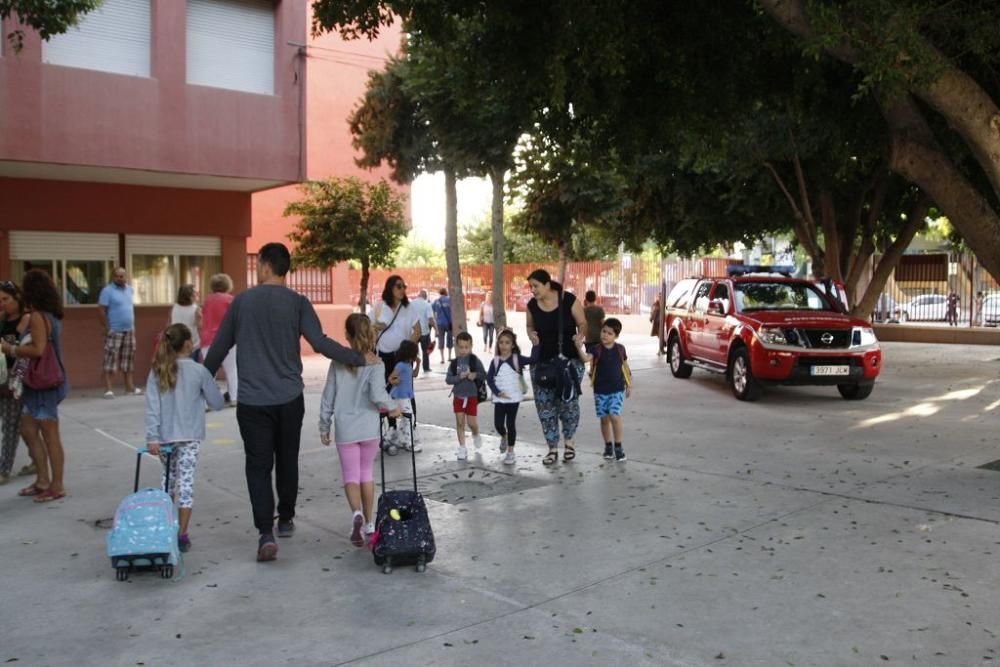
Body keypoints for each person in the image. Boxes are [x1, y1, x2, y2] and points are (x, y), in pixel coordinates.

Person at [203, 243, 376, 563]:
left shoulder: (242, 302)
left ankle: (265, 533)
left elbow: (219, 347)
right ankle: (285, 518)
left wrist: (199, 382)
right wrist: (357, 357)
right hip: (288, 398)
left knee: (258, 464)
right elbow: (321, 343)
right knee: (286, 459)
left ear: (266, 267)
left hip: (253, 402)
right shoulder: (298, 302)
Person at [319, 314, 401, 547]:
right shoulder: (376, 363)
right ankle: (369, 523)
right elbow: (377, 395)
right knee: (366, 474)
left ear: (347, 335)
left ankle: (355, 513)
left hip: (346, 429)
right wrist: (392, 407)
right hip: (369, 429)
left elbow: (329, 396)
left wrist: (324, 425)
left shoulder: (337, 363)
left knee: (350, 476)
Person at [145, 323, 225, 553]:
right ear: (189, 344)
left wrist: (152, 436)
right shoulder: (199, 371)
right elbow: (217, 403)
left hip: (164, 437)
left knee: (167, 482)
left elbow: (152, 406)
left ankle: (165, 528)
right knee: (186, 484)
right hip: (190, 436)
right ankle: (182, 535)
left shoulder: (157, 369)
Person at [2, 269, 69, 502]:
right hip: (39, 383)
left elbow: (38, 349)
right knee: (28, 429)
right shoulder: (51, 315)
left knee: (50, 434)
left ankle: (56, 484)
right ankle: (42, 479)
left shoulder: (40, 317)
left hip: (43, 383)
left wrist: (10, 348)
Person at [525, 268, 587, 466]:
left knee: (568, 405)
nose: (533, 290)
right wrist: (531, 335)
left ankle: (569, 442)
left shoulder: (568, 300)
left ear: (547, 284)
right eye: (531, 287)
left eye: (536, 286)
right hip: (542, 364)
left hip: (569, 362)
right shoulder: (532, 305)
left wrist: (580, 336)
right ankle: (552, 448)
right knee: (545, 408)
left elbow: (582, 323)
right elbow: (529, 326)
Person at [369, 275, 421, 449]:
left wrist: (407, 349)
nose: (402, 289)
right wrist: (377, 327)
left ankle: (410, 431)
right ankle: (392, 429)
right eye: (398, 286)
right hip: (384, 355)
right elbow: (367, 326)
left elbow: (418, 330)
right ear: (390, 287)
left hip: (402, 357)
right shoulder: (379, 307)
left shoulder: (408, 307)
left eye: (404, 286)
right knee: (388, 391)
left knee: (406, 391)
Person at [579, 318, 632, 462]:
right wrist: (578, 347)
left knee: (614, 415)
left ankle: (618, 447)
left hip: (617, 388)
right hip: (600, 390)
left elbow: (625, 367)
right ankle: (608, 446)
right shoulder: (596, 349)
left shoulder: (620, 349)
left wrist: (629, 384)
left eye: (609, 333)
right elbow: (585, 358)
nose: (605, 335)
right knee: (604, 419)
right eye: (604, 331)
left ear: (616, 336)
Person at [485, 329, 537, 466]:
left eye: (507, 343)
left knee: (510, 424)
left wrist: (536, 345)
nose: (503, 345)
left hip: (513, 398)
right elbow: (489, 379)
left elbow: (533, 359)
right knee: (498, 424)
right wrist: (496, 392)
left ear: (512, 345)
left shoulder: (516, 359)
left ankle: (510, 452)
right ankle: (504, 436)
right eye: (501, 342)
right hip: (499, 398)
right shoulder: (495, 361)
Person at [0, 281, 30, 484]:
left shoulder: (26, 319)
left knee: (11, 424)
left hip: (14, 377)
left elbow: (24, 352)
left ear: (17, 298)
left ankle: (4, 469)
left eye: (5, 299)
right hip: (1, 374)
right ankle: (37, 457)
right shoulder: (1, 319)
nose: (2, 304)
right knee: (18, 425)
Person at [98, 266, 141, 398]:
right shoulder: (107, 291)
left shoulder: (130, 289)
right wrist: (106, 327)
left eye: (122, 276)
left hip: (129, 330)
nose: (120, 278)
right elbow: (101, 310)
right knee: (110, 359)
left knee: (128, 360)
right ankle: (108, 389)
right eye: (117, 276)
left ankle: (129, 388)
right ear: (113, 277)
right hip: (114, 330)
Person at [446, 332, 487, 461]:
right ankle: (462, 447)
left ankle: (476, 433)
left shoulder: (474, 360)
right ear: (456, 347)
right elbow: (448, 379)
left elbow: (483, 374)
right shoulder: (454, 363)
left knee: (472, 423)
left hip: (471, 396)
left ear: (471, 346)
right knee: (460, 422)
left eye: (466, 347)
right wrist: (459, 377)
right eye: (461, 347)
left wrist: (474, 375)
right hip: (458, 396)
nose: (464, 350)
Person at [200, 273, 237, 405]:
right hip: (227, 339)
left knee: (209, 372)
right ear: (228, 285)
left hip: (207, 339)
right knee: (232, 370)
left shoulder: (207, 300)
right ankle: (234, 398)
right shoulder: (231, 300)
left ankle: (205, 402)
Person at [389, 340, 421, 452]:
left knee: (404, 419)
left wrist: (418, 364)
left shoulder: (407, 365)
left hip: (405, 396)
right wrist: (396, 380)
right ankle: (409, 443)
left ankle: (401, 440)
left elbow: (414, 374)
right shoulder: (401, 365)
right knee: (409, 418)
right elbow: (391, 378)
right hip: (401, 396)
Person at [168, 285, 202, 363]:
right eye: (195, 293)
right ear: (190, 296)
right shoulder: (196, 309)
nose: (197, 294)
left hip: (176, 343)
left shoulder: (174, 307)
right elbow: (200, 326)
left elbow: (169, 324)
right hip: (192, 344)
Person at [410, 289, 437, 373]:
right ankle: (426, 367)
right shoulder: (427, 305)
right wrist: (436, 329)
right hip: (424, 331)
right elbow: (430, 319)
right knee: (425, 351)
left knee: (411, 351)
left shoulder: (411, 304)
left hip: (413, 332)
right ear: (425, 297)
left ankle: (410, 367)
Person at [432, 288, 453, 363]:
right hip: (449, 323)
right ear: (446, 292)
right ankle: (450, 356)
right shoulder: (450, 299)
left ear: (439, 293)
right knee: (450, 339)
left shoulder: (436, 301)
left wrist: (435, 320)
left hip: (440, 323)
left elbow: (433, 312)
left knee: (441, 340)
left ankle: (442, 358)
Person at [582, 290, 605, 355]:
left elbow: (581, 324)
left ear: (586, 298)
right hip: (599, 337)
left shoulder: (583, 310)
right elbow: (603, 323)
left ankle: (592, 365)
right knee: (599, 356)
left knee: (590, 357)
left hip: (588, 337)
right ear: (595, 298)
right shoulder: (599, 309)